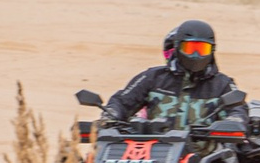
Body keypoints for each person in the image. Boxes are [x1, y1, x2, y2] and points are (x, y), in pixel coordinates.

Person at [102, 19, 240, 127]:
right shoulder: (153, 77)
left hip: (205, 157)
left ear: (212, 51)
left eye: (202, 49)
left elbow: (237, 109)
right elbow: (122, 101)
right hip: (153, 153)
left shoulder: (222, 84)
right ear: (177, 47)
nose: (196, 55)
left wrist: (234, 121)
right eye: (190, 48)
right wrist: (112, 114)